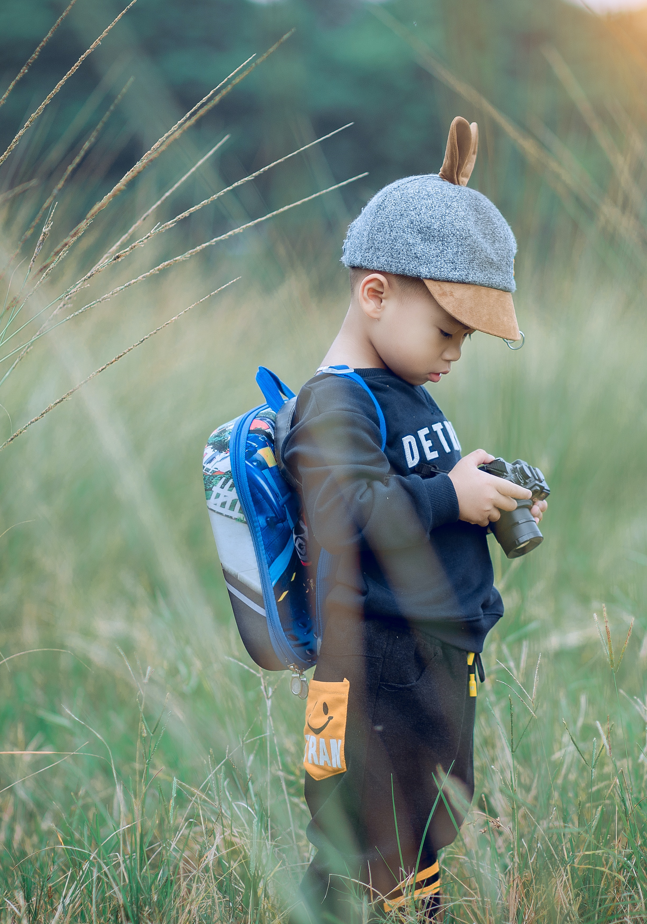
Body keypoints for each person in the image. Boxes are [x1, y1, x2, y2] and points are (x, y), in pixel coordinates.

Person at [281, 116, 547, 922]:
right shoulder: (334, 402)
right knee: (374, 832)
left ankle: (395, 907)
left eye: (465, 337)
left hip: (425, 658)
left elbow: (412, 496)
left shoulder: (404, 390)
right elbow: (351, 514)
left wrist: (484, 492)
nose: (455, 353)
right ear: (375, 293)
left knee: (423, 818)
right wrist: (449, 496)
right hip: (373, 665)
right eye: (446, 329)